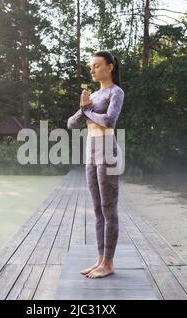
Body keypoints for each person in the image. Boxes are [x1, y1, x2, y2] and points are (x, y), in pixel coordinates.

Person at [67, 50, 125, 278]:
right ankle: (100, 260)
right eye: (91, 66)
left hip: (107, 154)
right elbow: (71, 123)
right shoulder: (93, 98)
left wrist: (87, 110)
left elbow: (109, 120)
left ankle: (109, 263)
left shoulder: (116, 92)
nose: (92, 70)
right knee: (97, 211)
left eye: (97, 66)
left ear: (109, 67)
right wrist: (84, 108)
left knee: (109, 211)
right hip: (90, 155)